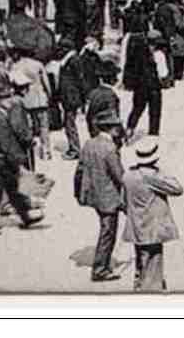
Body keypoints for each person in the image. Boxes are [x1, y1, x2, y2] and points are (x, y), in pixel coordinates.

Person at [0, 82, 41, 237]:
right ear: (1, 100)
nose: (11, 100)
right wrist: (19, 160)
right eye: (8, 97)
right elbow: (6, 143)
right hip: (0, 160)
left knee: (12, 190)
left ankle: (25, 217)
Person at [121, 138, 183, 292]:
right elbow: (177, 189)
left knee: (141, 264)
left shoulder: (128, 175)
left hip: (136, 227)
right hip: (152, 228)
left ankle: (140, 287)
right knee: (153, 268)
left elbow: (123, 202)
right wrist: (161, 172)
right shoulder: (153, 177)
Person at [74, 110, 127, 282]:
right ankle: (100, 269)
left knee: (106, 230)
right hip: (108, 197)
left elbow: (80, 169)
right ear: (111, 129)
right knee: (108, 232)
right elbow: (119, 176)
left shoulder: (89, 143)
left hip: (94, 194)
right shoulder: (110, 148)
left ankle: (101, 266)